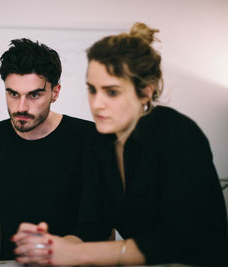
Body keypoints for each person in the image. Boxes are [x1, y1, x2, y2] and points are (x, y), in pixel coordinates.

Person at [12, 23, 228, 266]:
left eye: (112, 92)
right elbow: (91, 227)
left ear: (145, 93)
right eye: (92, 90)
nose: (97, 104)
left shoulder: (178, 134)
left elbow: (179, 241)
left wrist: (77, 254)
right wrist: (50, 247)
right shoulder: (99, 143)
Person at [0, 38, 98, 260]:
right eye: (13, 94)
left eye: (34, 95)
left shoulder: (88, 138)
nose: (21, 107)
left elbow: (100, 224)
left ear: (55, 92)